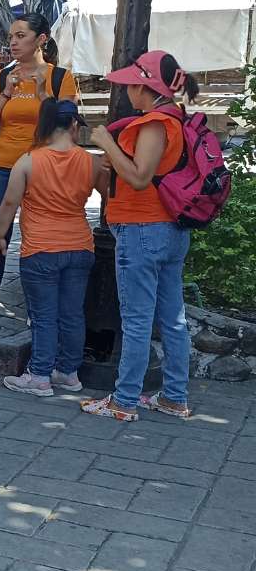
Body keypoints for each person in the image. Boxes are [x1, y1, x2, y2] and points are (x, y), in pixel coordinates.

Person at [82, 50, 199, 421]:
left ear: (144, 86)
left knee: (136, 320)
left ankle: (123, 401)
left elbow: (139, 176)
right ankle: (173, 397)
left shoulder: (154, 123)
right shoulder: (176, 120)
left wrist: (107, 142)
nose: (128, 90)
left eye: (132, 83)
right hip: (169, 230)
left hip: (142, 231)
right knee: (172, 319)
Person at [0, 98, 101, 397]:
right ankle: (68, 373)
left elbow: (9, 203)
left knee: (44, 315)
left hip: (40, 249)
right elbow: (110, 196)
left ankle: (39, 375)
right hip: (80, 246)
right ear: (74, 124)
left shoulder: (28, 161)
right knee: (73, 314)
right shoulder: (91, 161)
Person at [0, 13, 77, 332]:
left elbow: (66, 130)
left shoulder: (61, 78)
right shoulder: (2, 76)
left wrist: (43, 94)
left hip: (41, 168)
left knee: (37, 237)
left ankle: (37, 308)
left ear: (41, 40)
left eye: (21, 36)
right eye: (12, 37)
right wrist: (5, 92)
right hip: (2, 165)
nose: (13, 42)